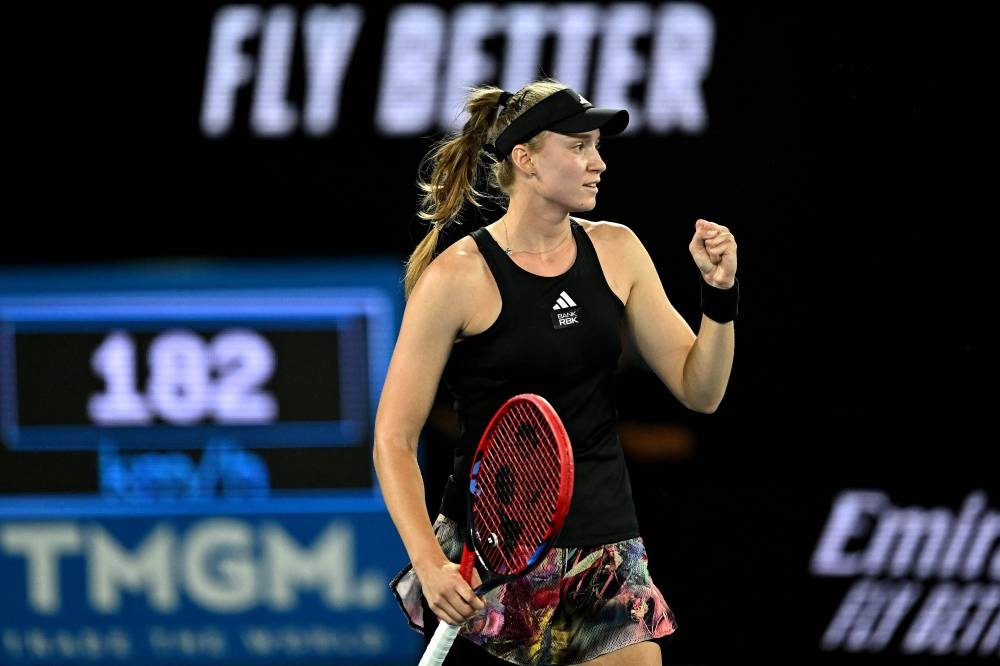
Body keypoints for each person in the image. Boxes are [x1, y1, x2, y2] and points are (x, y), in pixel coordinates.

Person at [372, 78, 738, 665]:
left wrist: (719, 297)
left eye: (597, 147)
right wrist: (428, 562)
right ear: (526, 159)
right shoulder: (457, 277)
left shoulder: (617, 250)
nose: (598, 162)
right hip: (491, 555)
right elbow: (393, 438)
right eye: (579, 146)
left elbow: (702, 391)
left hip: (605, 545)